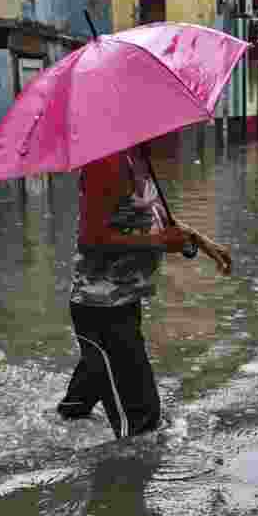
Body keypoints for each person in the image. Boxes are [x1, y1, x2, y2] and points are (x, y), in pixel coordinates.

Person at [57, 141, 231, 439]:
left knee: (76, 408)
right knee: (143, 425)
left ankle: (68, 418)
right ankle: (124, 483)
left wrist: (200, 241)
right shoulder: (108, 162)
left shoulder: (138, 157)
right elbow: (91, 238)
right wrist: (159, 243)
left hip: (125, 299)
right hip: (101, 308)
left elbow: (154, 220)